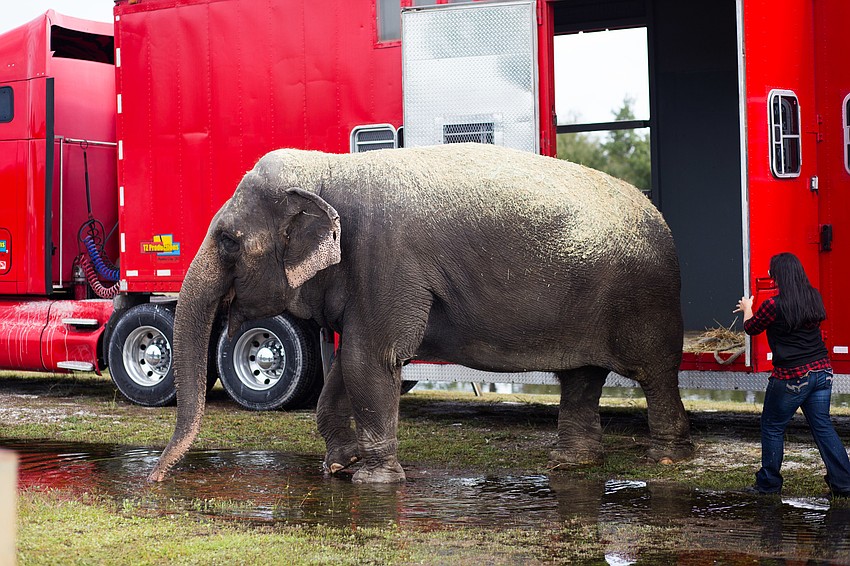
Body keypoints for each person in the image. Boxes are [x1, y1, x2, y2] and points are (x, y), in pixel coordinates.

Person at [735, 252, 850, 497]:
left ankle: (768, 484)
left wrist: (748, 308)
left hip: (792, 378)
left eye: (771, 271)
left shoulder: (773, 305)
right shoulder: (813, 297)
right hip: (822, 372)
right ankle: (844, 484)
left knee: (772, 426)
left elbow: (751, 328)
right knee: (822, 426)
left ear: (777, 276)